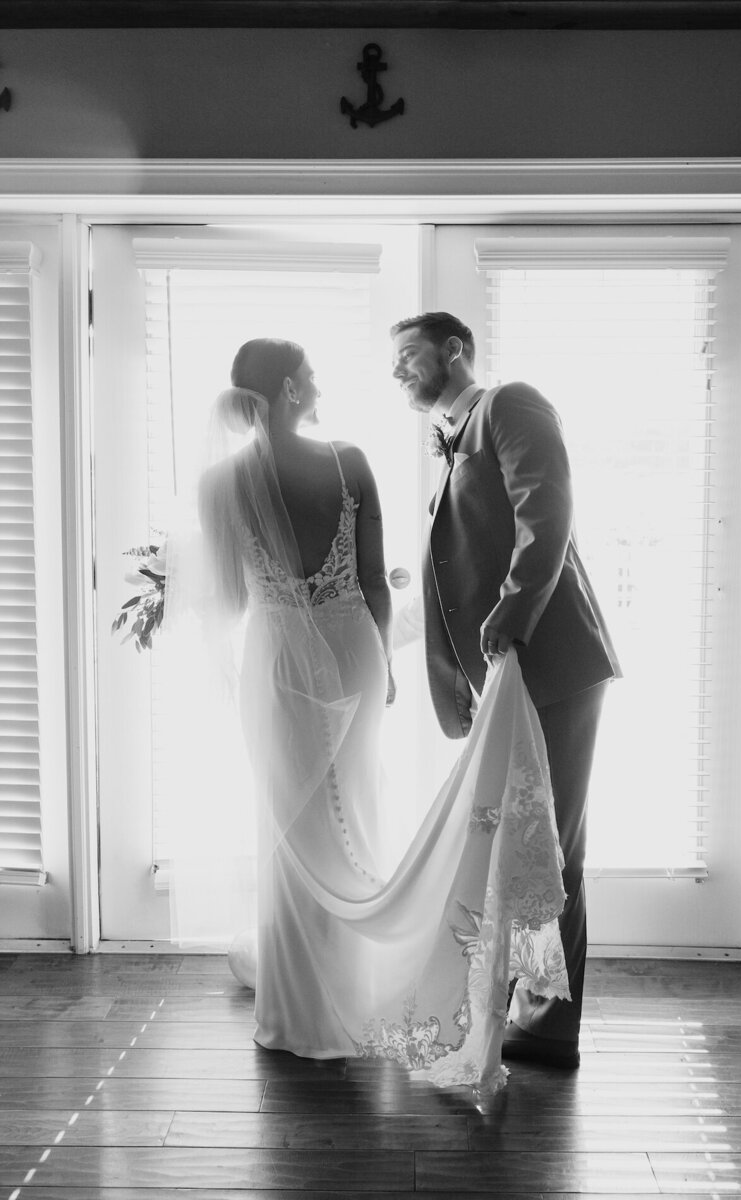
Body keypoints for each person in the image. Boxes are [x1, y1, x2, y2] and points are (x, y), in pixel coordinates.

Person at [165, 336, 570, 1096]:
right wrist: (379, 665)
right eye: (309, 373)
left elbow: (226, 597)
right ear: (288, 390)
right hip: (354, 649)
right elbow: (381, 588)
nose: (320, 381)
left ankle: (296, 1015)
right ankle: (358, 999)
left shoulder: (219, 483)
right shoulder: (349, 462)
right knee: (354, 813)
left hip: (278, 663)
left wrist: (180, 572)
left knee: (288, 831)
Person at [391, 311, 621, 1070]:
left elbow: (545, 513)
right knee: (530, 844)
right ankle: (533, 1009)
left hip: (552, 659)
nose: (399, 371)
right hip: (511, 671)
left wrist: (510, 619)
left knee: (553, 846)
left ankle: (553, 1027)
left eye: (410, 355)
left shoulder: (510, 404)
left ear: (454, 350)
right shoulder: (454, 439)